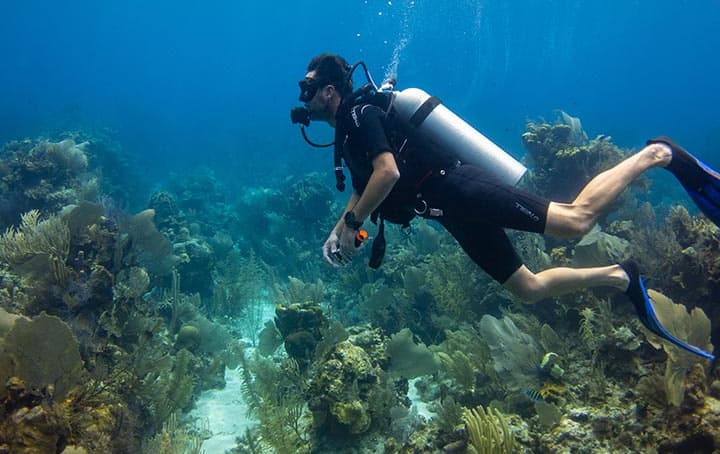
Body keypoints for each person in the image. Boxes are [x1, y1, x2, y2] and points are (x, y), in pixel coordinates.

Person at [294, 53, 720, 361]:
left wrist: (354, 221)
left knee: (574, 221)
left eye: (309, 88)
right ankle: (620, 276)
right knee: (528, 289)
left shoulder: (357, 114)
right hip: (449, 211)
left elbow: (387, 173)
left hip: (460, 189)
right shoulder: (347, 133)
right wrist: (338, 231)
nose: (305, 97)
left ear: (330, 91)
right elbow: (364, 185)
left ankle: (657, 154)